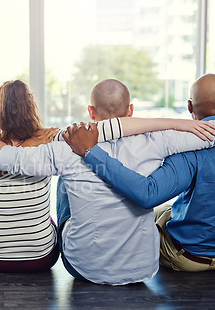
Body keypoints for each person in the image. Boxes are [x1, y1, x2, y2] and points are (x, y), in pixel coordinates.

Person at [0, 80, 205, 274]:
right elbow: (113, 128)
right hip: (42, 258)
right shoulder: (57, 140)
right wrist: (178, 122)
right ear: (31, 107)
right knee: (65, 181)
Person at [0, 78, 215, 285]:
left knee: (65, 180)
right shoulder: (160, 140)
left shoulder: (65, 148)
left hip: (83, 268)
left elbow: (3, 158)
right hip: (142, 269)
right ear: (131, 110)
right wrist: (176, 123)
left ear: (91, 112)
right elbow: (210, 134)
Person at [62, 73, 215, 272]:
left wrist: (90, 152)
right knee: (165, 211)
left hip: (194, 257)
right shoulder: (184, 142)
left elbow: (147, 195)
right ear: (130, 110)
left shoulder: (191, 150)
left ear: (189, 106)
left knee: (140, 214)